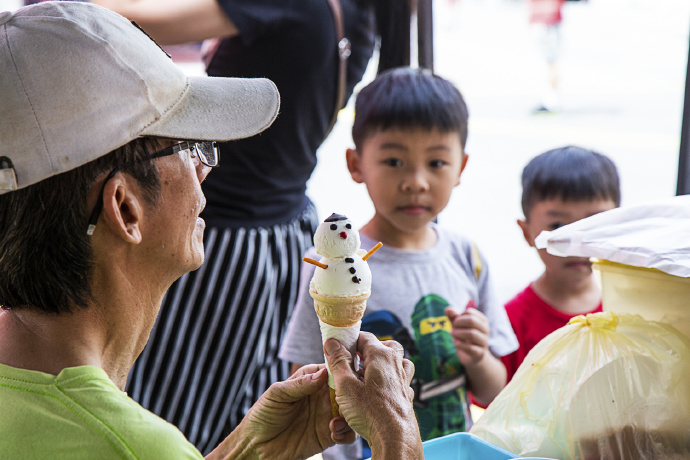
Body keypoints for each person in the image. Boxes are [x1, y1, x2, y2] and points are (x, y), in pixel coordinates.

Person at [0, 3, 424, 459]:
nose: (205, 168)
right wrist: (395, 431)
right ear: (125, 208)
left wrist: (250, 449)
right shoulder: (142, 448)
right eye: (190, 143)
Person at [279, 67, 519, 458]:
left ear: (462, 166)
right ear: (356, 164)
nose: (416, 182)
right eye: (394, 161)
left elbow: (494, 390)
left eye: (437, 163)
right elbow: (303, 377)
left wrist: (478, 357)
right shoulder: (333, 268)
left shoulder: (468, 258)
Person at [501, 146, 621, 383]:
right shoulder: (512, 323)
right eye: (557, 225)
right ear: (527, 233)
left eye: (594, 223)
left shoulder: (627, 309)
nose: (576, 243)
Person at [527, 0, 566, 113]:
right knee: (550, 63)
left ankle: (550, 101)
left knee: (549, 63)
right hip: (548, 20)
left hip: (543, 20)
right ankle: (550, 99)